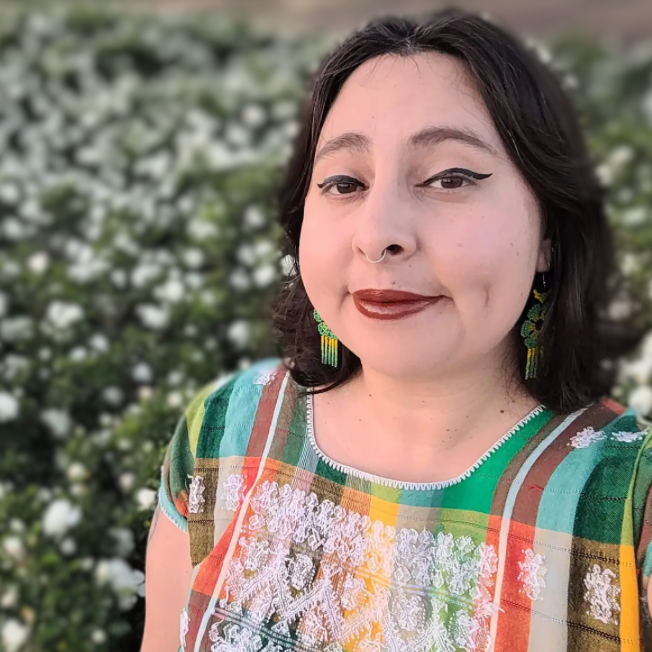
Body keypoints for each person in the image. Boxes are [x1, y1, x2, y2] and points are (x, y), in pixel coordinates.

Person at [140, 8, 652, 652]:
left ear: (548, 231)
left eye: (449, 178)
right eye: (344, 182)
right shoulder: (223, 431)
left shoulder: (628, 504)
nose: (378, 233)